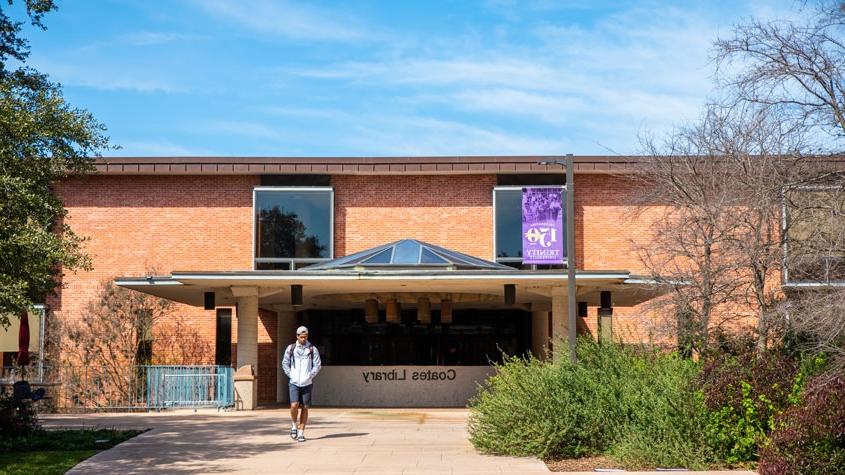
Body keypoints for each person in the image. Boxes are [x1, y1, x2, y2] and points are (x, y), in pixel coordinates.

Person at [282, 325, 321, 442]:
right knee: (294, 405)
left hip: (307, 383)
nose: (303, 339)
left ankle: (301, 432)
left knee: (305, 407)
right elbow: (285, 363)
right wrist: (291, 375)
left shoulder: (312, 349)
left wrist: (310, 375)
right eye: (301, 337)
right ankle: (294, 424)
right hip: (294, 382)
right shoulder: (291, 348)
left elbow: (317, 365)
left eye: (305, 337)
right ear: (297, 336)